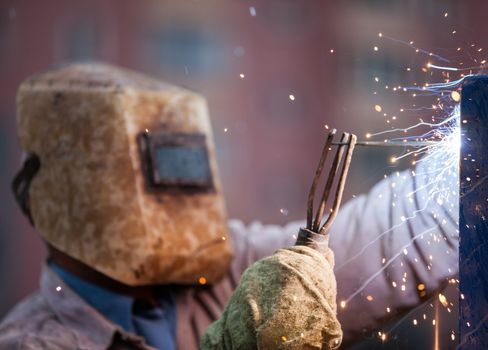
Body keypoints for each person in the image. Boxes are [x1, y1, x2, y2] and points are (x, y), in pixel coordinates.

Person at [0, 63, 459, 349]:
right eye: (148, 175)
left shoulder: (222, 267)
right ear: (64, 198)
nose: (174, 199)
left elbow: (384, 239)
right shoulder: (37, 343)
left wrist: (464, 175)